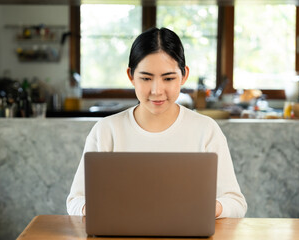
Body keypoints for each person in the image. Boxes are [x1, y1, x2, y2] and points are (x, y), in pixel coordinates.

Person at [66, 27, 247, 218]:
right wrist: (100, 210)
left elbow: (235, 203)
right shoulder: (106, 130)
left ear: (184, 75)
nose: (157, 90)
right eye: (146, 78)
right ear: (131, 76)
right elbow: (75, 201)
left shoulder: (206, 129)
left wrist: (207, 208)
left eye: (168, 78)